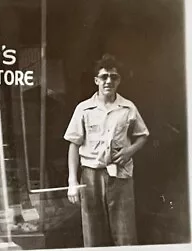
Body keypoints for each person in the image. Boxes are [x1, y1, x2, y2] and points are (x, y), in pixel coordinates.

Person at [64, 54, 149, 247]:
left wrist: (129, 151)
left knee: (125, 233)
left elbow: (143, 135)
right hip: (91, 176)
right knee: (93, 234)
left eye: (114, 77)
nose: (109, 81)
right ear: (96, 80)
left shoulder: (128, 108)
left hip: (121, 175)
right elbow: (73, 144)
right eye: (104, 77)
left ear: (119, 80)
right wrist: (72, 181)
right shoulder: (84, 109)